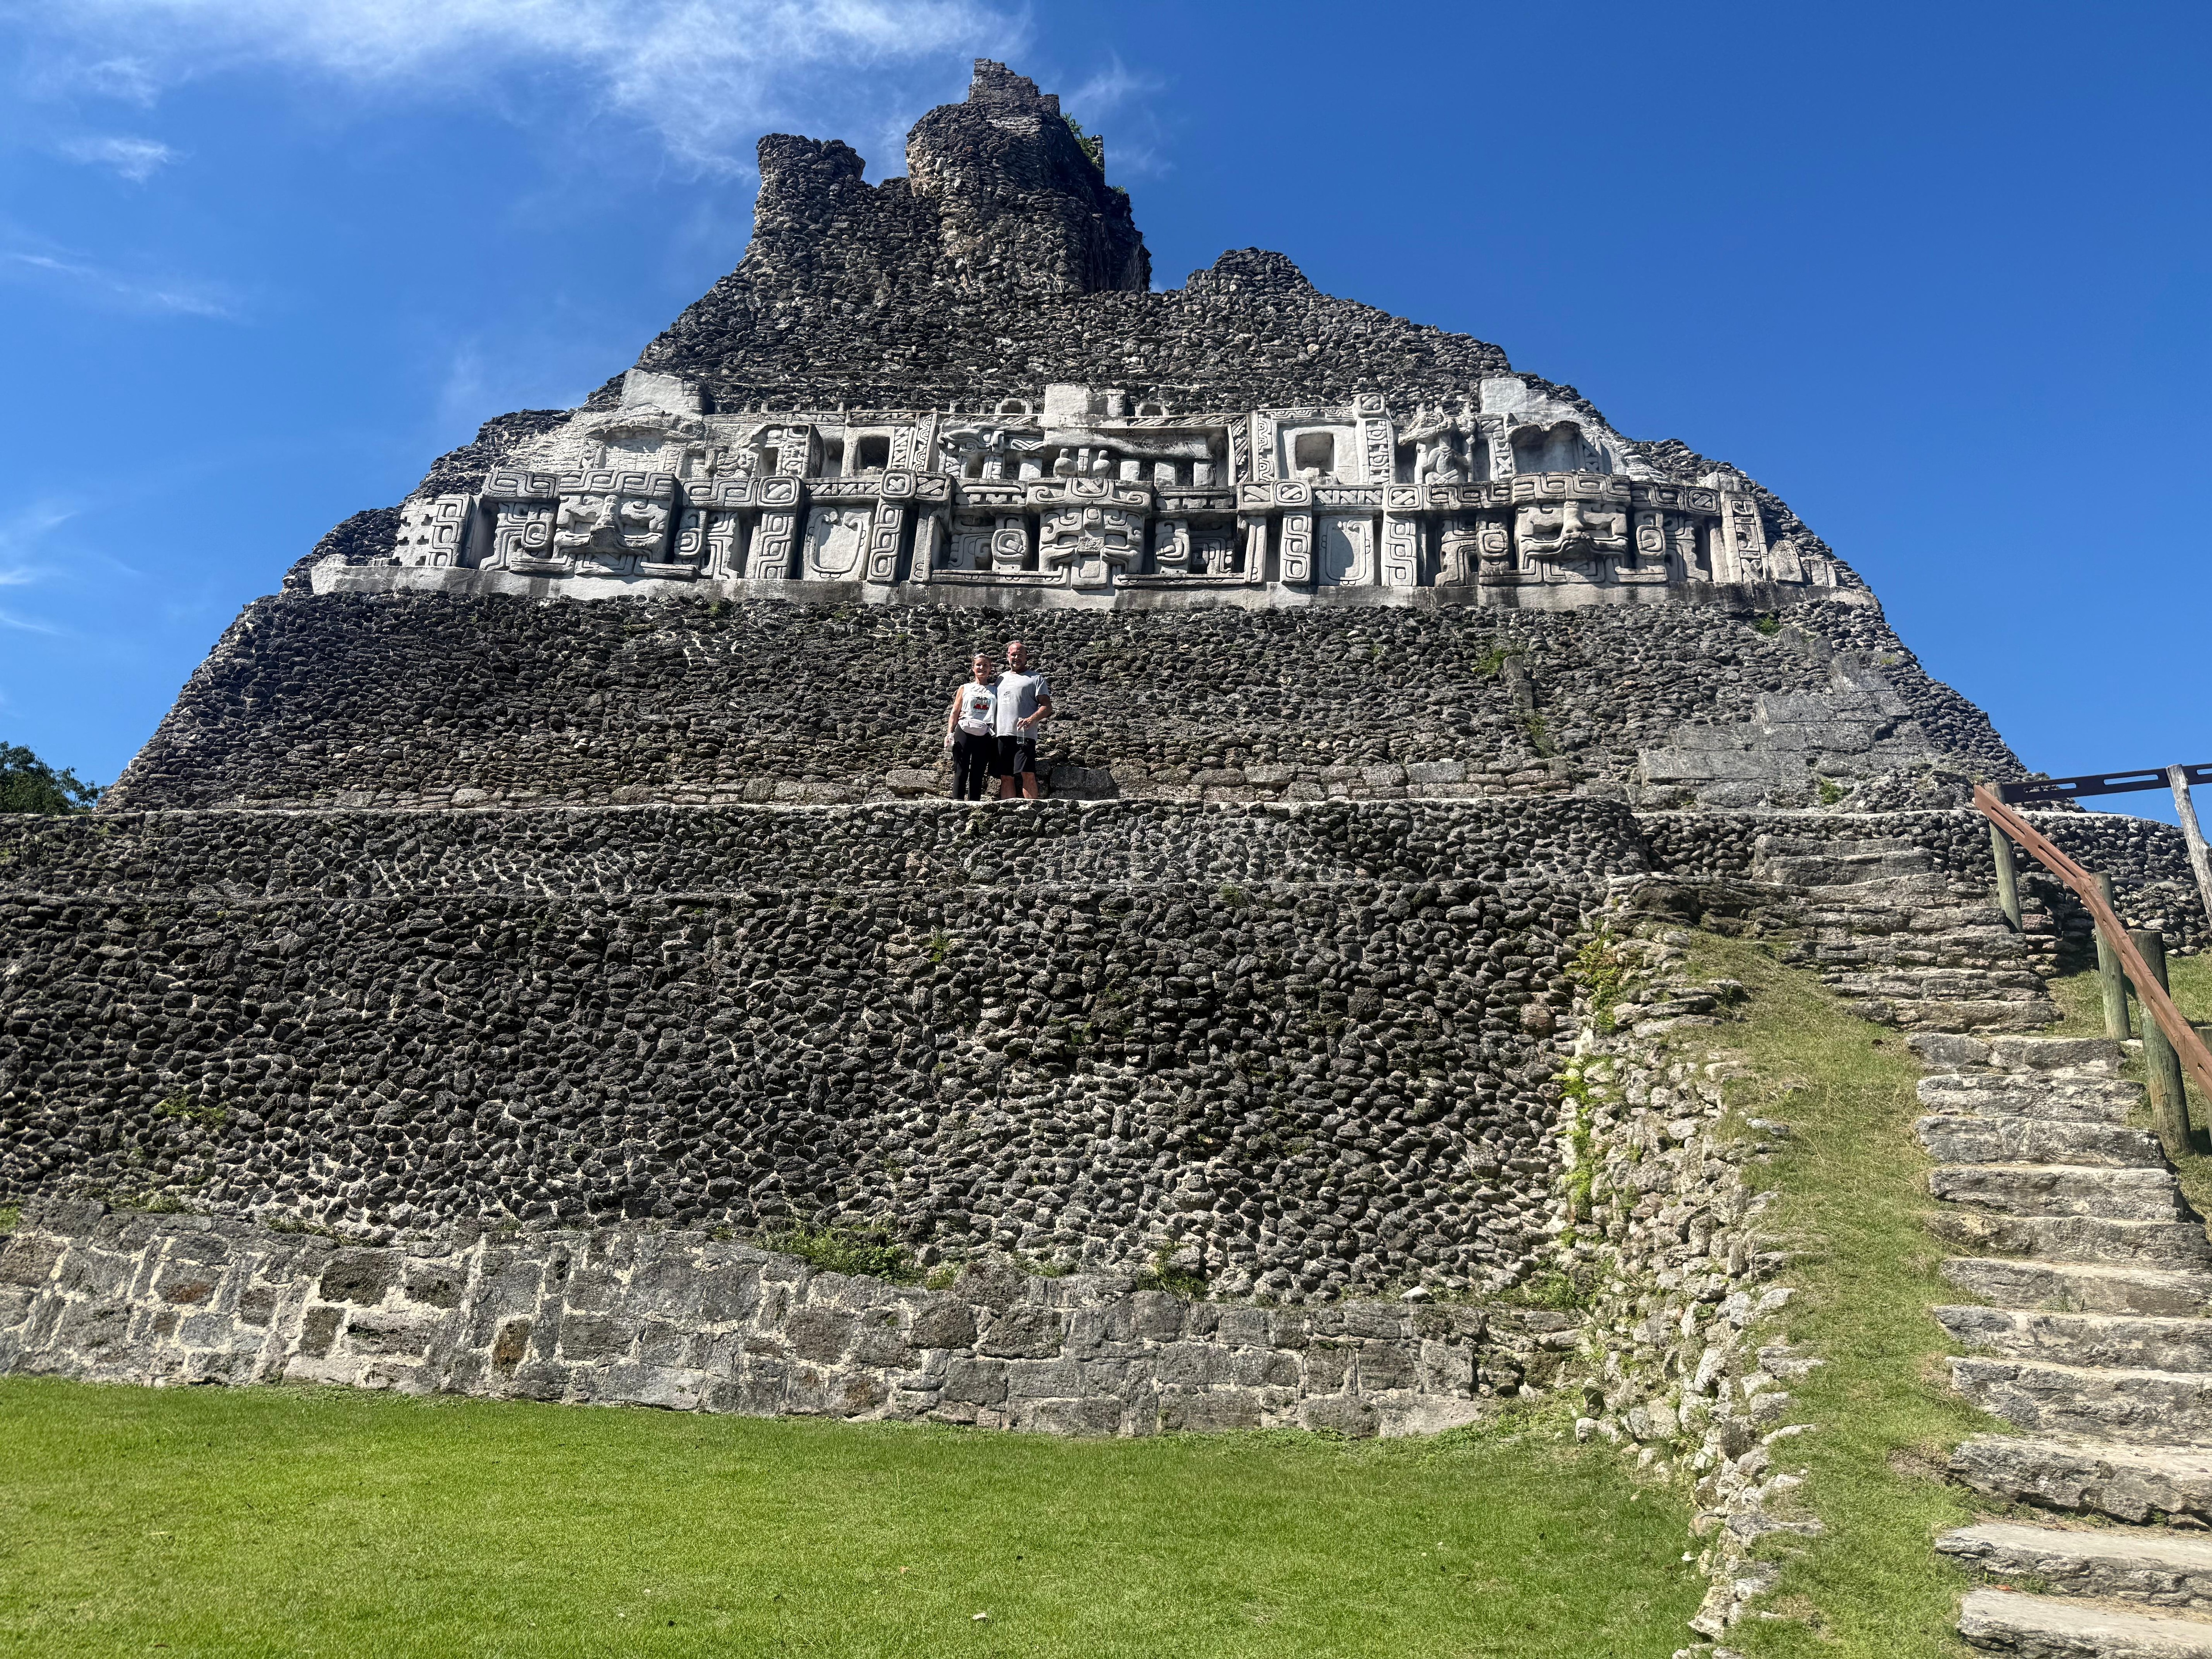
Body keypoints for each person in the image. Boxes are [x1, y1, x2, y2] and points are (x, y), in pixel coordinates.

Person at [994, 638, 1052, 800]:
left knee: (1028, 772)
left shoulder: (1035, 679)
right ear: (1008, 656)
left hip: (1024, 734)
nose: (1016, 658)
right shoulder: (1001, 679)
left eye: (1020, 655)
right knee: (1006, 776)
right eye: (1013, 654)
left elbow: (1047, 706)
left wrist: (1032, 719)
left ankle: (1032, 809)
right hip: (1003, 734)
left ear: (1026, 657)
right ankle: (1008, 810)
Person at [945, 652, 998, 801]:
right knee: (961, 770)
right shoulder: (965, 688)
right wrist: (950, 732)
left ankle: (975, 803)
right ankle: (958, 803)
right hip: (964, 730)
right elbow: (955, 711)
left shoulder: (996, 690)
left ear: (990, 669)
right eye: (979, 665)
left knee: (978, 771)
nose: (982, 668)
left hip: (985, 732)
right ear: (973, 668)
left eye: (986, 665)